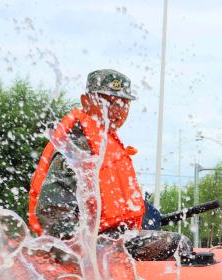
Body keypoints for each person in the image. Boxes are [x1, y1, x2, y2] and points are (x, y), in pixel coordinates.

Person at [28, 69, 188, 261]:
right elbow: (52, 208)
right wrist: (77, 253)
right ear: (86, 101)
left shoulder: (104, 140)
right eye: (107, 102)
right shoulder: (77, 145)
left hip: (107, 239)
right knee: (178, 244)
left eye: (123, 104)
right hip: (88, 247)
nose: (116, 110)